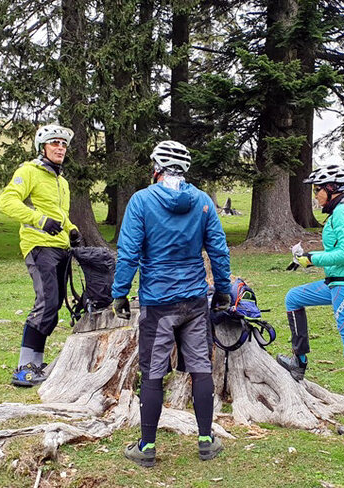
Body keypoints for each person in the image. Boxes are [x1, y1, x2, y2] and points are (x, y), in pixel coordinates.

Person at [111, 140, 232, 467]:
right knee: (200, 368)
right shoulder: (203, 201)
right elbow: (218, 250)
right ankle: (206, 441)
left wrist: (119, 293)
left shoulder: (141, 201)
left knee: (152, 373)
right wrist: (222, 290)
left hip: (157, 302)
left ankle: (147, 447)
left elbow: (129, 253)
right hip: (194, 300)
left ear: (156, 169)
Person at [276, 164, 344, 436]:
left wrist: (313, 258)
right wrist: (310, 258)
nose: (315, 195)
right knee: (293, 297)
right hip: (335, 283)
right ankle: (299, 362)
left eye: (318, 190)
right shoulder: (339, 211)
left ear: (331, 189)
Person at [0, 123, 81, 387]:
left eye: (64, 144)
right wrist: (39, 220)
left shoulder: (61, 181)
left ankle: (36, 363)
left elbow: (60, 215)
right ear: (42, 147)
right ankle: (24, 368)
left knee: (54, 306)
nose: (60, 148)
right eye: (54, 143)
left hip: (59, 247)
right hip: (38, 245)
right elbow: (7, 202)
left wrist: (72, 230)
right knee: (46, 304)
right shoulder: (28, 171)